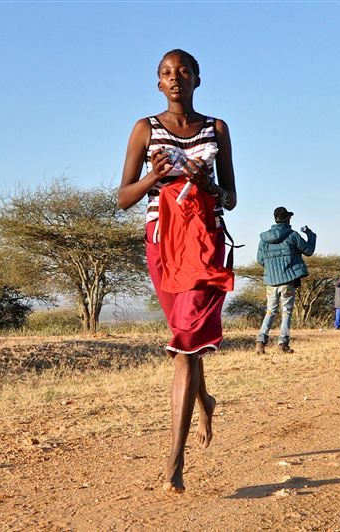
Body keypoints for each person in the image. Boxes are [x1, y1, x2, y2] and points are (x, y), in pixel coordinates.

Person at [117, 49, 237, 495]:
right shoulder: (144, 129)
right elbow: (123, 197)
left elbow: (232, 197)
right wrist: (154, 177)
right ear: (158, 82)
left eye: (183, 72)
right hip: (162, 241)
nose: (175, 79)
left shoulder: (216, 128)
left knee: (186, 343)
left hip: (205, 240)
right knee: (185, 337)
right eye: (167, 73)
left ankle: (173, 460)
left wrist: (210, 187)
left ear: (197, 79)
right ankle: (203, 399)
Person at [255, 207, 316, 354]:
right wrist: (311, 235)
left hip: (270, 281)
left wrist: (271, 269)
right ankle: (283, 344)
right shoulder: (292, 235)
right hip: (287, 280)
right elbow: (309, 251)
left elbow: (260, 259)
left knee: (270, 311)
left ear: (275, 218)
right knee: (287, 312)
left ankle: (260, 341)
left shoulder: (264, 239)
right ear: (287, 219)